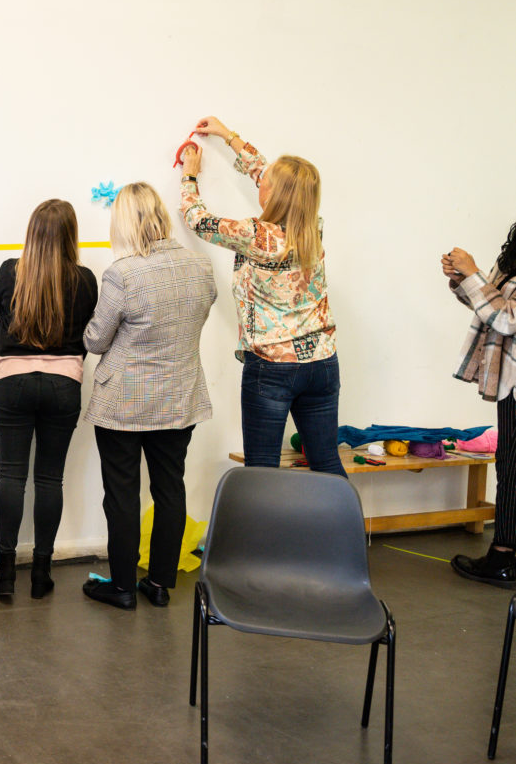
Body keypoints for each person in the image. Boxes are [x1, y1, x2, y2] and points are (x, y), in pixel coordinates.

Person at [179, 115, 346, 477]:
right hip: (321, 362)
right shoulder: (312, 228)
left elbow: (197, 219)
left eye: (265, 182)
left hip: (272, 367)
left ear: (272, 192)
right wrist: (228, 136)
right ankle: (344, 534)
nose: (261, 179)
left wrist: (189, 175)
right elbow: (272, 176)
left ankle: (264, 536)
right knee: (326, 461)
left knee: (262, 471)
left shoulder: (255, 235)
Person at [80, 184, 217, 609]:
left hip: (123, 403)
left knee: (121, 494)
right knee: (170, 488)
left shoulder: (124, 273)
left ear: (125, 222)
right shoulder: (201, 267)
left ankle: (121, 587)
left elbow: (96, 340)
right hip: (179, 397)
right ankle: (158, 584)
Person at [0, 199, 98, 598]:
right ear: (72, 235)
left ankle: (4, 574)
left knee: (11, 476)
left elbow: (3, 311)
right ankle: (41, 573)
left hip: (12, 381)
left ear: (32, 232)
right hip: (63, 384)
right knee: (50, 478)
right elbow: (88, 329)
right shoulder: (85, 280)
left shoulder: (9, 272)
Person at [443, 230, 516, 588]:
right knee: (510, 462)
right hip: (509, 379)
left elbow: (507, 320)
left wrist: (473, 274)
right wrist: (463, 281)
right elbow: (493, 305)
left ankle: (503, 558)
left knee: (512, 466)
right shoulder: (513, 258)